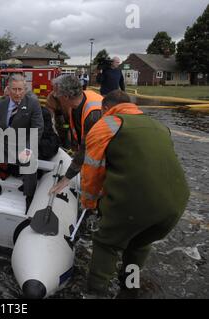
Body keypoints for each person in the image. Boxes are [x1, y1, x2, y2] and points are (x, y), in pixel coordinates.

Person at [73, 90, 189, 297]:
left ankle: (96, 292)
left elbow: (92, 170)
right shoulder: (159, 126)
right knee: (139, 245)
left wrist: (89, 203)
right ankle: (130, 288)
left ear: (106, 109)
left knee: (106, 243)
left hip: (136, 204)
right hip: (175, 204)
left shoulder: (107, 124)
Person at [0, 74, 44, 212]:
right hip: (4, 146)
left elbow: (38, 128)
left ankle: (29, 197)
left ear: (25, 89)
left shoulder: (33, 104)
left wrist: (28, 150)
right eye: (14, 89)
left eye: (20, 89)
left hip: (24, 146)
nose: (17, 93)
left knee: (30, 163)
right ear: (8, 89)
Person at [49, 75, 103, 195]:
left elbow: (86, 150)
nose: (54, 97)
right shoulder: (76, 104)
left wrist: (66, 178)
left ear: (66, 97)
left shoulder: (93, 114)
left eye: (57, 95)